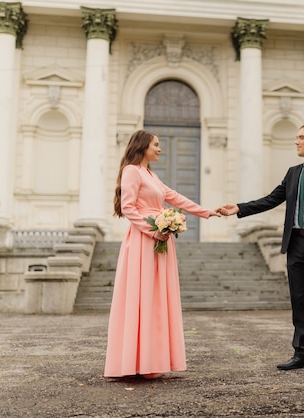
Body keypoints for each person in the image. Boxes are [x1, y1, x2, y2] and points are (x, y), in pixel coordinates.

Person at [219, 123, 304, 375]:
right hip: (295, 244)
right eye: (296, 137)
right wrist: (239, 207)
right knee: (299, 301)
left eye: (301, 137)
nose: (296, 141)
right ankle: (301, 353)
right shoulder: (293, 173)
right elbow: (272, 199)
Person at [104, 129, 220, 379]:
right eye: (156, 145)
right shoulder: (131, 171)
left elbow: (174, 197)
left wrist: (206, 212)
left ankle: (151, 361)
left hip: (161, 241)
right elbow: (128, 208)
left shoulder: (151, 175)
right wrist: (153, 229)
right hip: (143, 241)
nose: (160, 148)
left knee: (156, 299)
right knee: (142, 295)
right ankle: (134, 362)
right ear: (143, 146)